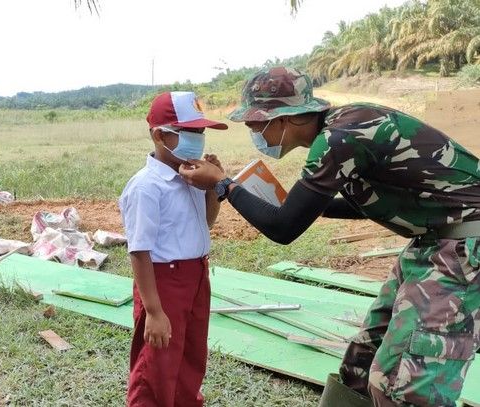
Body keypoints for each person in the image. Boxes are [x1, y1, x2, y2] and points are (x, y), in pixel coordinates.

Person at [179, 66, 480, 406]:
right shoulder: (342, 126)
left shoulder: (339, 138)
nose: (252, 131)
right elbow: (369, 203)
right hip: (433, 243)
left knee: (406, 387)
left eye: (255, 123)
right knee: (362, 363)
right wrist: (306, 205)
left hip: (462, 249)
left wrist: (224, 186)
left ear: (286, 118)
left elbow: (283, 228)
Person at [119, 91, 227, 406]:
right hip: (164, 283)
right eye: (188, 133)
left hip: (196, 276)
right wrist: (153, 310)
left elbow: (205, 222)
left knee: (191, 355)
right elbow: (139, 252)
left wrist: (211, 189)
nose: (198, 140)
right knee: (158, 363)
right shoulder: (146, 187)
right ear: (159, 135)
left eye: (200, 132)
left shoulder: (190, 176)